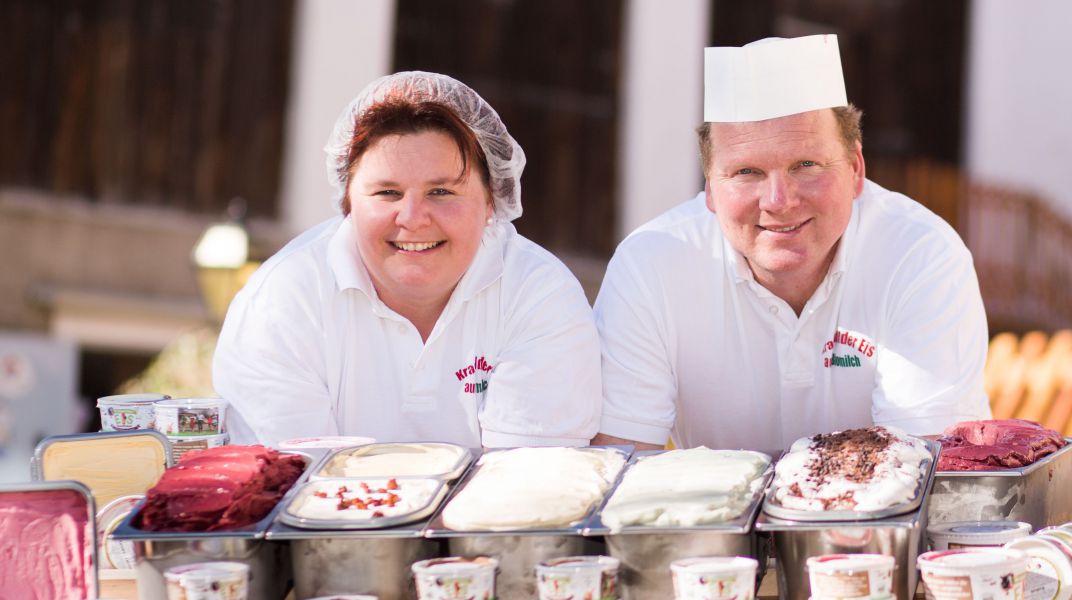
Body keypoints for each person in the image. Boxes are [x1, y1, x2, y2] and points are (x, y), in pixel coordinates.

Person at [592, 35, 990, 451]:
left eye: (806, 165)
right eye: (747, 172)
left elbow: (926, 465)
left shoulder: (920, 256)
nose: (779, 201)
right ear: (710, 187)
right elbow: (622, 463)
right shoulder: (651, 265)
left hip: (887, 515)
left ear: (855, 169)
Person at [213, 71, 601, 448]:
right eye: (387, 192)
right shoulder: (284, 299)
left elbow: (530, 482)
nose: (413, 218)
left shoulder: (539, 295)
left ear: (491, 202)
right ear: (348, 203)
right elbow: (290, 481)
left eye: (442, 192)